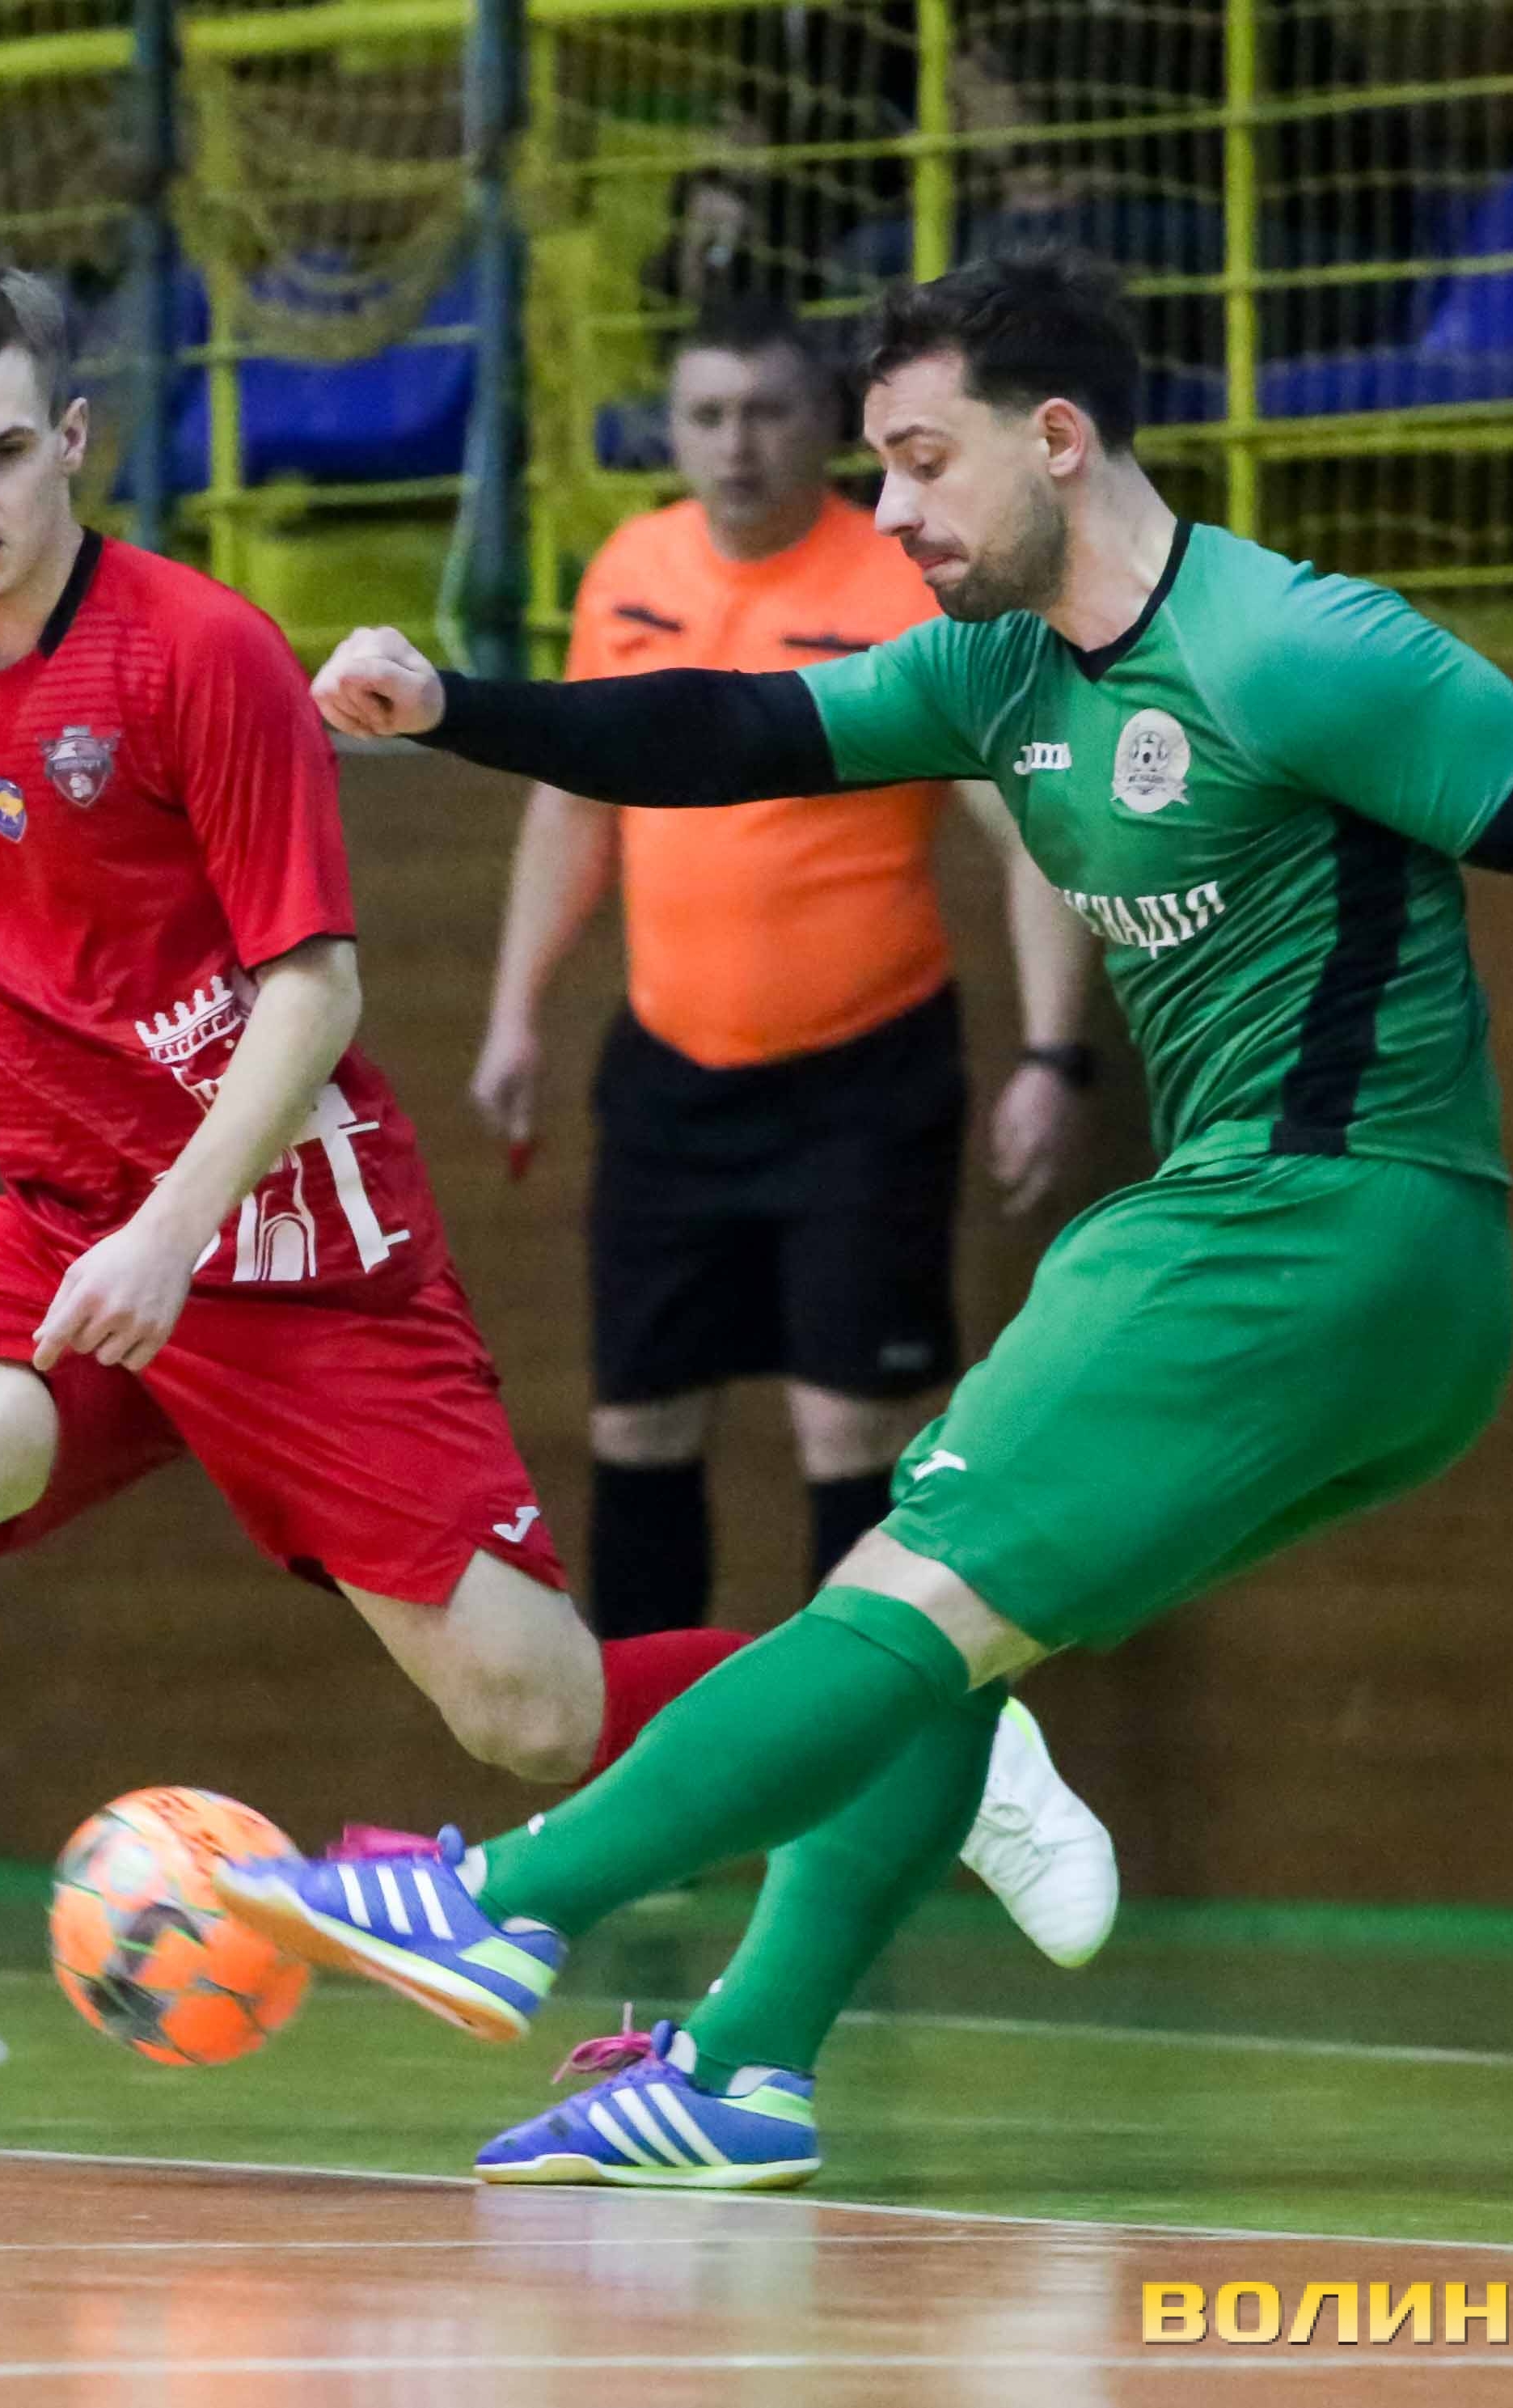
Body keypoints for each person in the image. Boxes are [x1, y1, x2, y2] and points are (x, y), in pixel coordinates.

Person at [225, 250, 1513, 2190]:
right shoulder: (996, 669)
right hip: (1355, 1287)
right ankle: (744, 2064)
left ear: (1055, 437)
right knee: (952, 1633)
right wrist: (456, 709)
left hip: (1314, 1224)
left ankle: (499, 1901)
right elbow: (729, 738)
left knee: (899, 1597)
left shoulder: (1296, 647)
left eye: (920, 461)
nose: (890, 512)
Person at [0, 261, 1114, 2155]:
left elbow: (313, 994)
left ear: (71, 439)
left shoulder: (198, 653)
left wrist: (172, 1232)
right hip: (67, 1215)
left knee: (532, 1715)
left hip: (286, 1241)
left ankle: (929, 1714)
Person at [483, 294, 1118, 1961]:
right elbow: (575, 800)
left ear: (819, 426)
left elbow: (1025, 821)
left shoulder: (898, 577)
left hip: (862, 1077)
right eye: (705, 414)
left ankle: (855, 1803)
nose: (737, 442)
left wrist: (1052, 1051)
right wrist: (515, 1007)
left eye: (767, 411)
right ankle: (640, 1810)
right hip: (667, 1074)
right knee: (639, 1427)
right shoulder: (629, 570)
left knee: (851, 1437)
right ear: (672, 431)